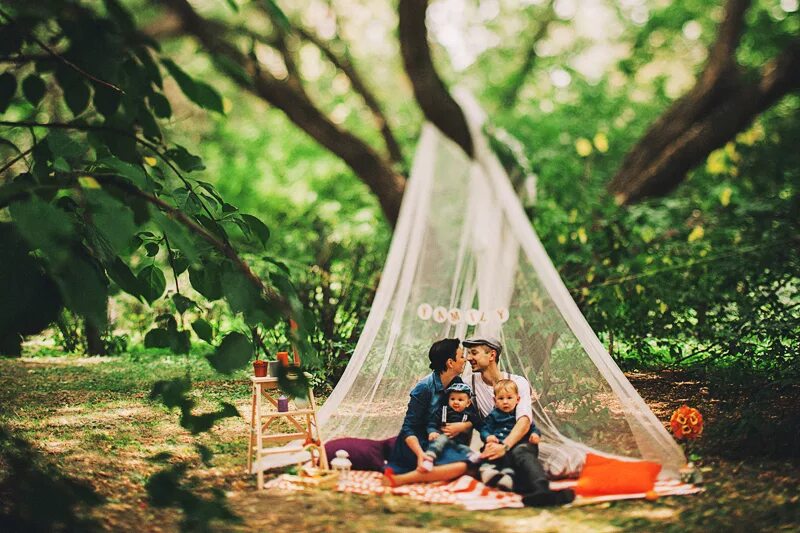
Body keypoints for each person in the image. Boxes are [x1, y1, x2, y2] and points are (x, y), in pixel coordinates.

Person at [464, 336, 575, 506]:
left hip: (517, 442)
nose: (468, 358)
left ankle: (541, 491)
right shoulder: (468, 384)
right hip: (494, 441)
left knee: (527, 454)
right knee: (493, 466)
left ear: (492, 355)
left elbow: (524, 420)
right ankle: (537, 493)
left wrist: (505, 446)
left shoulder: (518, 382)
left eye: (474, 353)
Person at [383, 338, 474, 487]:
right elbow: (408, 428)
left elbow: (470, 416)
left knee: (470, 464)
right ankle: (401, 480)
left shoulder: (458, 384)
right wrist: (420, 455)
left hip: (439, 442)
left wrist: (462, 427)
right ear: (450, 363)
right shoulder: (424, 388)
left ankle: (432, 475)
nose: (465, 360)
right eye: (461, 356)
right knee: (463, 466)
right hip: (417, 443)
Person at [477, 379, 541, 491]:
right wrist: (488, 436)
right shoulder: (493, 415)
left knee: (511, 458)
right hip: (496, 444)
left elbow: (532, 427)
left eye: (509, 398)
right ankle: (487, 471)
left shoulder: (519, 414)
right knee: (486, 452)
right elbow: (484, 429)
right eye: (501, 398)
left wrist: (535, 435)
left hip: (512, 447)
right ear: (495, 400)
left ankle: (507, 477)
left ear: (518, 399)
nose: (505, 402)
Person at [421, 382, 481, 471]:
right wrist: (432, 431)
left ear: (468, 403)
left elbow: (478, 423)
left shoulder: (469, 415)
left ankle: (474, 458)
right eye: (452, 399)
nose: (456, 402)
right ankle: (429, 458)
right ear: (448, 400)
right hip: (444, 436)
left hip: (459, 441)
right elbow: (432, 423)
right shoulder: (443, 411)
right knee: (439, 441)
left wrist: (466, 425)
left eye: (460, 400)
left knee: (464, 449)